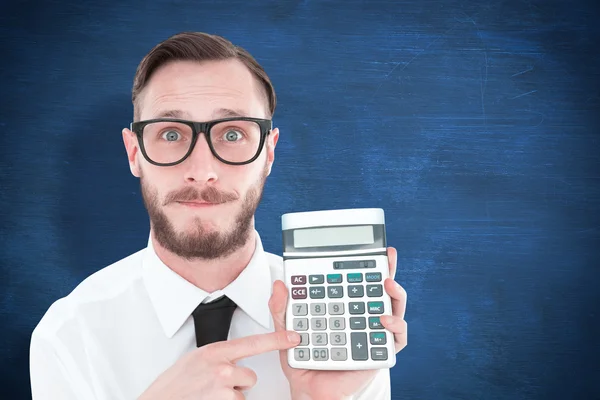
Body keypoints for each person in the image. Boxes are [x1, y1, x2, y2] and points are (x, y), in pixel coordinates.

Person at [29, 31, 408, 400]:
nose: (202, 170)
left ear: (269, 153)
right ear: (134, 153)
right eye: (171, 134)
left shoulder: (347, 331)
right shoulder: (68, 335)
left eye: (231, 134)